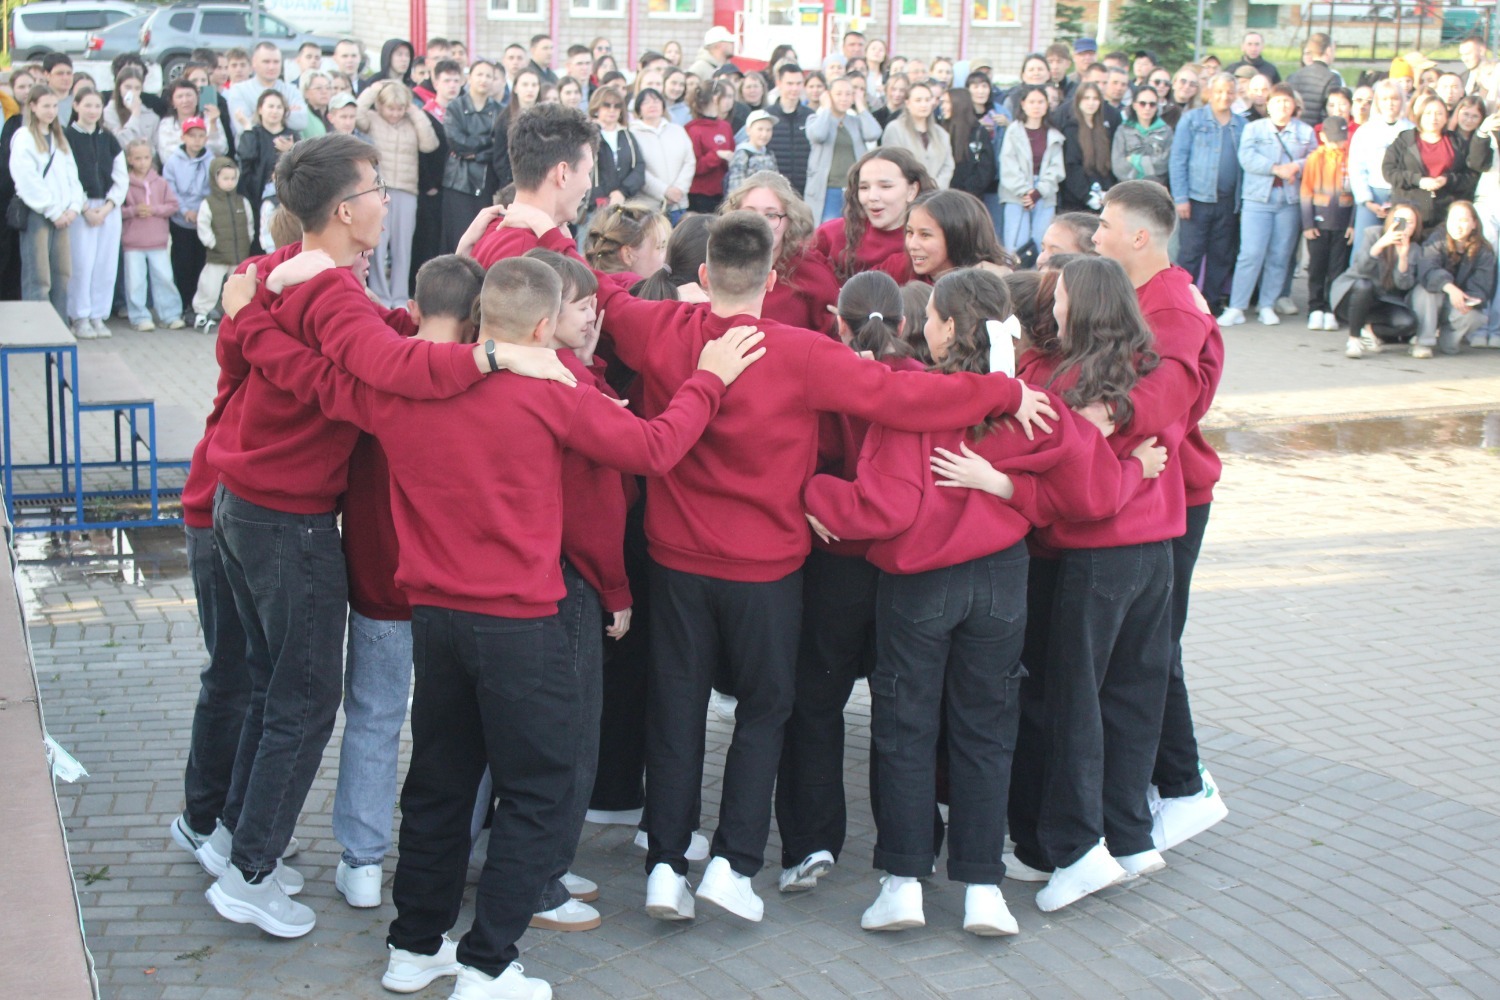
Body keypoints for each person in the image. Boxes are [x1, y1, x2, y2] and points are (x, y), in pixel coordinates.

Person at [200, 130, 575, 947]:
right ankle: (250, 873)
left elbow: (366, 335)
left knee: (273, 690)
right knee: (305, 702)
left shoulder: (300, 273)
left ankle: (238, 841)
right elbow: (398, 370)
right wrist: (495, 356)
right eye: (376, 188)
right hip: (286, 518)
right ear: (344, 210)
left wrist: (258, 307)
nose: (386, 200)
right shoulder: (326, 290)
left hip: (247, 505)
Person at [771, 270, 919, 898]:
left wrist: (814, 498)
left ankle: (810, 842)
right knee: (902, 707)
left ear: (836, 321)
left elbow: (796, 457)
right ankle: (912, 847)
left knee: (815, 704)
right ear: (905, 324)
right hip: (903, 564)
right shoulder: (922, 381)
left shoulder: (824, 379)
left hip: (832, 560)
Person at [1219, 84, 1315, 327]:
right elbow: (1246, 157)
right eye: (1277, 101)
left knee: (1280, 254)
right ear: (1268, 105)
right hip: (1257, 199)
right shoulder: (1254, 129)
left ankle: (1267, 305)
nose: (1282, 106)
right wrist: (1275, 169)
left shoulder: (1305, 131)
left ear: (1294, 106)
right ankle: (1237, 306)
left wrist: (1296, 167)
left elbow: (1314, 158)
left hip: (1289, 201)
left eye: (1287, 101)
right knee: (1250, 254)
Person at [721, 171, 838, 334]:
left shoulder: (812, 273)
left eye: (771, 215)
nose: (759, 223)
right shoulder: (718, 265)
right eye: (749, 213)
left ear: (789, 220)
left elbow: (834, 336)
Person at [356, 80, 439, 308]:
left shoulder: (411, 122)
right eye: (390, 108)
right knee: (377, 243)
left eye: (400, 108)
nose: (395, 113)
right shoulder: (372, 119)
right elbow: (357, 114)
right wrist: (373, 90)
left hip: (406, 189)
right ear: (380, 105)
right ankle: (380, 295)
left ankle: (400, 296)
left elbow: (430, 143)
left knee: (403, 247)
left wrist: (414, 111)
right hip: (377, 189)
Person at [1169, 72, 1243, 312]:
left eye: (1229, 91)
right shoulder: (1192, 120)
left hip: (1228, 202)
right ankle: (1181, 303)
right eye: (1219, 91)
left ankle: (1210, 303)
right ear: (1209, 93)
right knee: (1190, 254)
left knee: (1220, 255)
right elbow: (1178, 159)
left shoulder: (1241, 125)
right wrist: (1181, 197)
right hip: (1196, 200)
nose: (1224, 96)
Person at [10, 86, 83, 322]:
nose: (51, 111)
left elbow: (72, 175)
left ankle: (60, 326)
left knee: (62, 274)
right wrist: (53, 211)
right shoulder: (24, 137)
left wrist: (73, 207)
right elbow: (27, 179)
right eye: (46, 106)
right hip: (38, 214)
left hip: (63, 214)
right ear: (32, 106)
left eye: (54, 106)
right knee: (38, 277)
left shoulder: (59, 138)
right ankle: (38, 329)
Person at [816, 147, 935, 281]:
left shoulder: (933, 242)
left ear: (912, 191)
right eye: (864, 188)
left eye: (885, 186)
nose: (872, 197)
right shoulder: (830, 235)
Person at [63, 89, 126, 340]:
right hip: (81, 208)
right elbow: (68, 176)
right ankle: (79, 316)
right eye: (87, 105)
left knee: (105, 264)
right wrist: (85, 209)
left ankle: (98, 315)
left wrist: (109, 206)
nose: (92, 111)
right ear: (76, 106)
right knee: (82, 264)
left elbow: (121, 176)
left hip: (108, 208)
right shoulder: (67, 137)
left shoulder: (108, 139)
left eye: (97, 106)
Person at [1384, 91, 1489, 231]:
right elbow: (1389, 171)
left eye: (1439, 113)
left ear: (1446, 117)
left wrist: (1447, 179)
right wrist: (1418, 180)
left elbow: (1471, 175)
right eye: (1428, 113)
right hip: (1409, 210)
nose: (1433, 118)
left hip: (1446, 213)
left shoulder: (1457, 142)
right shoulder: (1404, 140)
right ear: (1420, 115)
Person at [1331, 204, 1422, 358]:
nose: (1405, 226)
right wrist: (1380, 245)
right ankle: (1354, 339)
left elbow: (1403, 285)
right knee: (1364, 285)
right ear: (1391, 221)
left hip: (1383, 300)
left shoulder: (1414, 249)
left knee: (1407, 323)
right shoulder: (1373, 234)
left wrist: (1403, 258)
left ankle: (1370, 330)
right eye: (1400, 220)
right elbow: (1361, 269)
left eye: (1410, 222)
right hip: (1353, 294)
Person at [1409, 199, 1495, 357]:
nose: (1458, 225)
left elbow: (1482, 285)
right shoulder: (1436, 239)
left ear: (1474, 224)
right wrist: (1450, 288)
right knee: (1427, 292)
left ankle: (1448, 340)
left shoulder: (1484, 251)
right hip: (1431, 299)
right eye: (1453, 220)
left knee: (1477, 317)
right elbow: (1428, 269)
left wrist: (1471, 300)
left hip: (1455, 304)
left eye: (1463, 220)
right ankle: (1423, 342)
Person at [1301, 116, 1356, 332]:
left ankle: (1332, 308)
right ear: (1323, 137)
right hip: (1318, 223)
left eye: (1341, 138)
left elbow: (1357, 194)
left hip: (1342, 224)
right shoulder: (1315, 158)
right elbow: (1306, 191)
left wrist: (1352, 224)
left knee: (1337, 270)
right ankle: (1315, 308)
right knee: (1317, 268)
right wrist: (1308, 224)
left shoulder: (1351, 158)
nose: (1337, 144)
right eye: (1333, 139)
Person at [1000, 85, 1066, 256]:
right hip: (1017, 193)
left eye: (1040, 102)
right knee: (1016, 243)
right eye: (1032, 102)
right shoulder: (1013, 131)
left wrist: (1039, 191)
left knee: (1042, 240)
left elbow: (1057, 168)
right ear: (1023, 104)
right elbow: (1008, 164)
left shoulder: (1053, 134)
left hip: (1045, 192)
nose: (1036, 106)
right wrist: (1025, 191)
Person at [805, 76, 881, 222]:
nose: (844, 98)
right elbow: (818, 135)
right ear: (829, 95)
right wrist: (826, 108)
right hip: (827, 190)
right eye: (838, 94)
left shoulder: (856, 122)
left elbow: (874, 133)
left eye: (848, 94)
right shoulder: (815, 119)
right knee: (829, 229)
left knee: (856, 228)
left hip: (853, 189)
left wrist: (860, 105)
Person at [1349, 80, 1413, 238]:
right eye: (1384, 99)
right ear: (1377, 102)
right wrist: (1367, 201)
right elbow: (1357, 168)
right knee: (1365, 243)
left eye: (1394, 98)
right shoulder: (1365, 131)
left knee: (1398, 239)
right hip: (1372, 194)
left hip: (1401, 195)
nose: (1390, 103)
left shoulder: (1411, 130)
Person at [235, 91, 298, 249]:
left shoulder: (292, 136)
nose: (275, 111)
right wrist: (247, 127)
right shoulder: (253, 133)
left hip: (286, 201)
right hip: (256, 198)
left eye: (279, 107)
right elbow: (245, 157)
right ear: (260, 109)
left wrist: (291, 150)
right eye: (270, 106)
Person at [194, 157, 253, 325]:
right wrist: (212, 243)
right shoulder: (209, 203)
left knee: (239, 285)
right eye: (225, 178)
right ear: (215, 178)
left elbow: (249, 224)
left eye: (233, 178)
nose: (229, 182)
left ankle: (238, 313)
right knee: (209, 285)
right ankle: (202, 312)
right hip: (217, 254)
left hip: (239, 254)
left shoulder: (242, 201)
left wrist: (247, 241)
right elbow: (203, 225)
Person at [631, 88, 693, 221]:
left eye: (656, 101)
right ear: (638, 109)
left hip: (678, 203)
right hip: (649, 206)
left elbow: (689, 161)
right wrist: (664, 191)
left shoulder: (678, 130)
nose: (652, 105)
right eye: (646, 102)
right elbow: (637, 168)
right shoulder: (632, 134)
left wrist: (679, 190)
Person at [946, 84, 1001, 232]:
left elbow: (986, 168)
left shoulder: (978, 131)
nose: (943, 106)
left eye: (947, 102)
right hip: (944, 198)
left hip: (970, 200)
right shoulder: (940, 129)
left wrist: (968, 191)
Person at [227, 43, 309, 140]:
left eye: (276, 62)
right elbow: (243, 127)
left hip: (287, 149)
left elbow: (301, 122)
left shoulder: (291, 90)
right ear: (254, 63)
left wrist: (258, 115)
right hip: (253, 148)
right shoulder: (239, 90)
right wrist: (287, 111)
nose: (271, 67)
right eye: (266, 62)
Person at [881, 80, 954, 189]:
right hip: (906, 191)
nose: (924, 105)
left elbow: (948, 166)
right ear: (908, 103)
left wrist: (935, 187)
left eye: (927, 100)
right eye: (918, 100)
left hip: (936, 192)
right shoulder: (895, 129)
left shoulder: (941, 133)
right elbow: (892, 164)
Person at [589, 85, 645, 221]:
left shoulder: (627, 135)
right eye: (607, 105)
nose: (612, 110)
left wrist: (622, 192)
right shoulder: (587, 134)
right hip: (594, 207)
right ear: (596, 108)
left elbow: (639, 167)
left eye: (617, 106)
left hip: (625, 205)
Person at [1060, 83, 1116, 212]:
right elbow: (1071, 166)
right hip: (1077, 201)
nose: (1091, 103)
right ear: (1078, 101)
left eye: (1095, 99)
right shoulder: (1071, 129)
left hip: (1102, 196)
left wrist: (1105, 192)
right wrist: (1087, 196)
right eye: (1086, 98)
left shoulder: (1103, 129)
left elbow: (1106, 165)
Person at [584, 202, 671, 283]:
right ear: (628, 255)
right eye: (660, 247)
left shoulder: (584, 285)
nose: (668, 254)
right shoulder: (641, 292)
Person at [686, 81, 736, 213]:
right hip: (700, 195)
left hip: (722, 191)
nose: (728, 102)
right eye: (725, 97)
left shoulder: (725, 126)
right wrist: (716, 155)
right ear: (715, 99)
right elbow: (694, 167)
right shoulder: (694, 130)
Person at [491, 68, 544, 192]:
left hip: (540, 182)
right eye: (525, 85)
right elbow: (499, 158)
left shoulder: (545, 117)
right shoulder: (504, 118)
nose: (530, 89)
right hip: (512, 184)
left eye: (534, 85)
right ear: (515, 88)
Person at [766, 64, 813, 197]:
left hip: (805, 189)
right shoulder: (767, 116)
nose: (795, 88)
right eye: (790, 84)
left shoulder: (811, 116)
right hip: (775, 189)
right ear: (779, 83)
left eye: (798, 83)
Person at [1113, 84, 1172, 186]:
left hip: (1156, 187)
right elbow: (1118, 166)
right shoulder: (1123, 130)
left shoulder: (1166, 131)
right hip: (1128, 187)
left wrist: (1135, 160)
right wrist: (1149, 165)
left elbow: (1164, 164)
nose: (1147, 108)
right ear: (1134, 105)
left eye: (1152, 104)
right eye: (1142, 103)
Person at [1287, 35, 1341, 127]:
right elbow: (1332, 110)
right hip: (1317, 129)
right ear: (1328, 51)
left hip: (1294, 128)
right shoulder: (1332, 78)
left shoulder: (1293, 76)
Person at [102, 68, 159, 152]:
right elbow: (121, 143)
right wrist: (135, 113)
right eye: (128, 87)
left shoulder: (151, 116)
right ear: (119, 88)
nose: (132, 92)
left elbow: (156, 149)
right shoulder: (109, 113)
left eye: (137, 88)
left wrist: (146, 147)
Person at [725, 110, 778, 193]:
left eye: (768, 130)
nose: (764, 134)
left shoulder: (769, 153)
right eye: (760, 129)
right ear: (748, 130)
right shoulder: (742, 154)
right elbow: (736, 188)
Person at [1460, 34, 1498, 98]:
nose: (1464, 59)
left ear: (1481, 51)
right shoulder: (1462, 78)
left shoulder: (1496, 73)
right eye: (1462, 55)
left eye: (1468, 54)